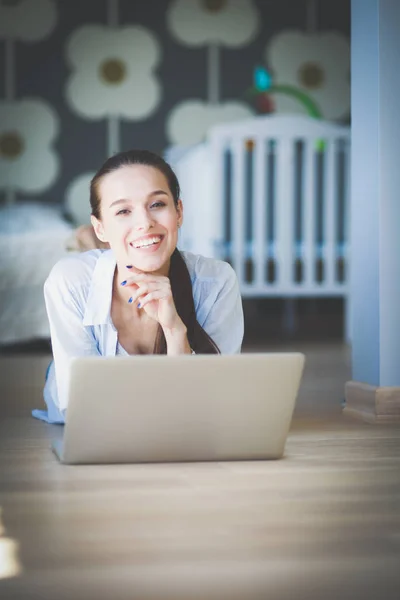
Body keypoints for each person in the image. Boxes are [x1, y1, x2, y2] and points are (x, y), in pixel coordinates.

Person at [32, 149, 244, 424]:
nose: (144, 222)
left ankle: (97, 243)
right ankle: (90, 246)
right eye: (123, 211)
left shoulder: (216, 281)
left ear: (178, 212)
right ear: (101, 227)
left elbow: (215, 405)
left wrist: (175, 330)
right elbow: (80, 408)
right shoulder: (69, 281)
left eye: (157, 204)